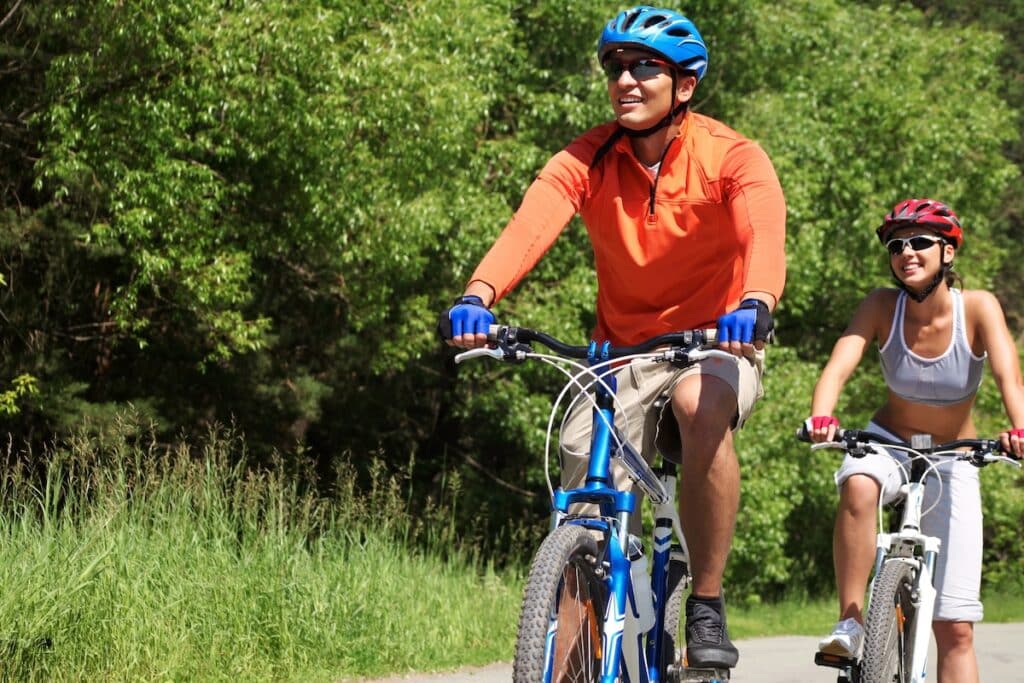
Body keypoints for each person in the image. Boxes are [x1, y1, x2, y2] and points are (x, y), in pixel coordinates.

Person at [437, 6, 786, 669]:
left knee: (699, 403)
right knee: (581, 480)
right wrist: (478, 295)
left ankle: (705, 602)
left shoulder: (731, 155)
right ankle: (570, 654)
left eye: (643, 67)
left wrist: (757, 301)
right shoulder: (588, 156)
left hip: (716, 340)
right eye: (614, 67)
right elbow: (531, 225)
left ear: (684, 84)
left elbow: (763, 231)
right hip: (620, 352)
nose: (625, 79)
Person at [806, 198, 1024, 682]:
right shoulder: (881, 305)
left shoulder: (979, 307)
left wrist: (1019, 429)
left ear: (948, 252)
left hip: (955, 457)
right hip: (890, 443)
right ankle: (852, 623)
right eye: (897, 245)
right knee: (859, 484)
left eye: (921, 242)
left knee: (957, 629)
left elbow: (1012, 379)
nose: (907, 252)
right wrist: (822, 416)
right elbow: (838, 366)